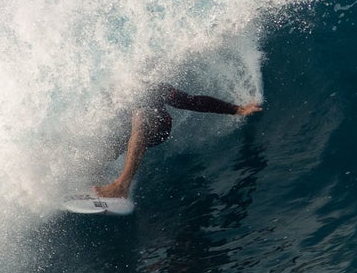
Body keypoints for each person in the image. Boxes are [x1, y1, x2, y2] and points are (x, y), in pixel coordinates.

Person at [94, 83, 261, 199]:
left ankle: (122, 184)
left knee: (141, 116)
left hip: (159, 126)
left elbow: (193, 102)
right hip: (130, 130)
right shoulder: (112, 88)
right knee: (106, 146)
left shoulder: (152, 86)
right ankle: (94, 174)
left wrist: (237, 109)